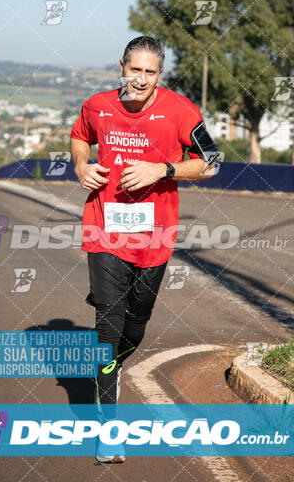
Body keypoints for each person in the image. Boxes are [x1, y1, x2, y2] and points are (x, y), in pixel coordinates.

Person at [70, 36, 219, 463]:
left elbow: (212, 161)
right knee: (109, 323)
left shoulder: (179, 111)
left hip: (155, 236)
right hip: (104, 229)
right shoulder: (97, 105)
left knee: (133, 330)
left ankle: (108, 365)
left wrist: (164, 168)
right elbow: (80, 138)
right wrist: (81, 165)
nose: (140, 79)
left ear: (159, 74)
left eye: (149, 72)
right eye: (134, 69)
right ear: (122, 66)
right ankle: (108, 430)